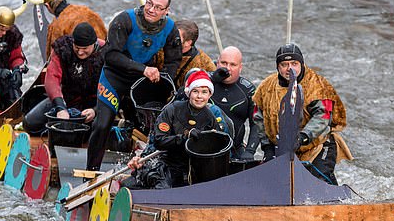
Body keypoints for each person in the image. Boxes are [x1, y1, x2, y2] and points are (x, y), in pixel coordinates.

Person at [86, 0, 182, 172]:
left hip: (140, 82)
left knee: (149, 129)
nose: (151, 9)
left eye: (158, 7)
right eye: (149, 3)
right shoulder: (124, 20)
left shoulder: (170, 29)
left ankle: (142, 171)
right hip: (114, 77)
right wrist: (143, 69)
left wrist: (164, 81)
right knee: (102, 125)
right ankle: (90, 172)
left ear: (166, 11)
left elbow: (174, 60)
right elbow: (111, 55)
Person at [252, 43, 352, 185]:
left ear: (302, 64)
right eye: (284, 64)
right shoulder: (266, 87)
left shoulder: (318, 86)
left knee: (319, 182)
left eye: (294, 63)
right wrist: (267, 147)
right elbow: (258, 117)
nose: (289, 68)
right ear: (277, 67)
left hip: (317, 146)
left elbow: (323, 117)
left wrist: (303, 138)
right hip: (282, 149)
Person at [125, 70, 228, 189]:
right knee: (161, 182)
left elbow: (215, 150)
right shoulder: (172, 110)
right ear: (189, 92)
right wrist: (184, 138)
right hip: (163, 161)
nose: (199, 96)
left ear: (210, 95)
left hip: (188, 166)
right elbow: (159, 141)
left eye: (204, 92)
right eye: (195, 91)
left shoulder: (211, 117)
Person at [22, 22, 105, 134]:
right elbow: (52, 79)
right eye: (77, 47)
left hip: (95, 103)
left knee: (98, 131)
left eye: (84, 48)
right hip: (67, 99)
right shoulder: (63, 48)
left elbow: (113, 86)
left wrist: (96, 110)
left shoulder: (105, 52)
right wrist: (60, 108)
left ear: (93, 44)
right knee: (29, 124)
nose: (80, 52)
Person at [26, 0, 107, 60]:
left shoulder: (57, 26)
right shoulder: (88, 11)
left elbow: (54, 57)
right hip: (103, 59)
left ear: (47, 6)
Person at [208, 46, 259, 161]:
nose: (227, 69)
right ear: (217, 63)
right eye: (224, 63)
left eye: (233, 65)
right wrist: (211, 80)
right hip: (202, 148)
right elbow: (182, 99)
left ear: (240, 68)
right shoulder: (204, 82)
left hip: (234, 150)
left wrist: (250, 151)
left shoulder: (248, 90)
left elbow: (257, 123)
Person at [154, 19, 216, 88]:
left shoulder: (203, 63)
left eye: (176, 36)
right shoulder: (159, 48)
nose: (170, 38)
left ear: (188, 43)